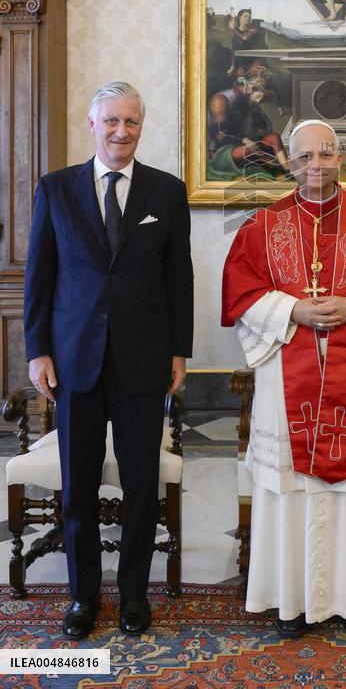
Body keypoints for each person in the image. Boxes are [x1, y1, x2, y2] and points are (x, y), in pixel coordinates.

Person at [222, 120, 346, 637]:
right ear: (289, 161)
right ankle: (290, 599)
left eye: (326, 154)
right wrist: (294, 311)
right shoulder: (262, 227)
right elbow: (240, 293)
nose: (316, 165)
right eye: (305, 156)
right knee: (292, 487)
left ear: (340, 158)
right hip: (287, 370)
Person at [23, 82, 194, 640]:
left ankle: (134, 596)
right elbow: (39, 277)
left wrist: (179, 351)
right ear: (92, 125)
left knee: (141, 485)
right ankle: (82, 597)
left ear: (142, 127)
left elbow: (179, 279)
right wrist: (37, 351)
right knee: (78, 489)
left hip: (145, 361)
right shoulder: (56, 189)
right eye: (112, 121)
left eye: (133, 122)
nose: (122, 131)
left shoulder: (166, 192)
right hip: (75, 362)